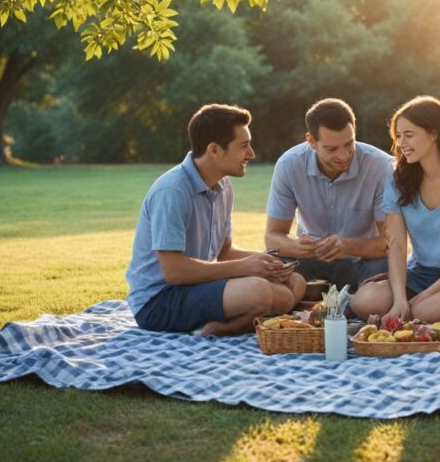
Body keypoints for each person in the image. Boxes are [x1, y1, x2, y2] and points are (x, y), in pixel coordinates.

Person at [126, 104, 306, 337]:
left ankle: (223, 327)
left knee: (294, 285)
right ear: (214, 149)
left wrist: (265, 262)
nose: (251, 154)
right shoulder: (172, 191)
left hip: (194, 288)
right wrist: (244, 268)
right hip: (159, 301)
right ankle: (226, 328)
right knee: (259, 291)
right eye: (244, 146)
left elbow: (225, 251)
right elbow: (174, 271)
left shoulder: (223, 186)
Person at [350, 96, 440, 323]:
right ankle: (414, 311)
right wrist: (400, 299)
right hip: (420, 274)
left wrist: (419, 300)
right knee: (364, 301)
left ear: (434, 134)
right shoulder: (397, 177)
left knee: (425, 311)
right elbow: (397, 246)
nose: (401, 143)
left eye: (409, 135)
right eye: (398, 136)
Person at [264, 98, 392, 291]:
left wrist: (346, 246)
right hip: (308, 261)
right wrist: (296, 246)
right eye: (331, 149)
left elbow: (391, 243)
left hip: (364, 261)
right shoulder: (289, 165)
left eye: (349, 144)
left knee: (388, 273)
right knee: (275, 269)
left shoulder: (382, 167)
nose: (343, 155)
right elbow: (272, 237)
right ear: (311, 141)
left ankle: (342, 303)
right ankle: (309, 300)